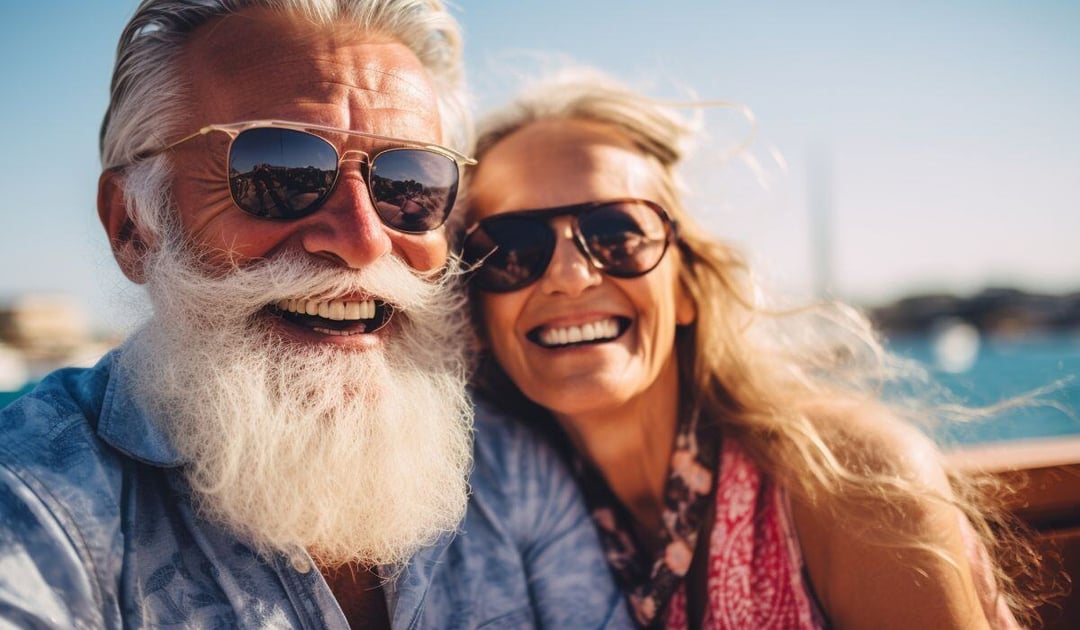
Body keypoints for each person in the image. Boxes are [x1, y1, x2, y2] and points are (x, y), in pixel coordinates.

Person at [0, 3, 630, 628]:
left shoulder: (507, 468)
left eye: (410, 184)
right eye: (277, 173)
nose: (364, 240)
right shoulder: (35, 504)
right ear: (132, 228)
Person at [461, 68, 1049, 628]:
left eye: (617, 233)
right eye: (510, 246)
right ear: (478, 314)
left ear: (687, 286)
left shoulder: (850, 481)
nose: (570, 275)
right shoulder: (493, 516)